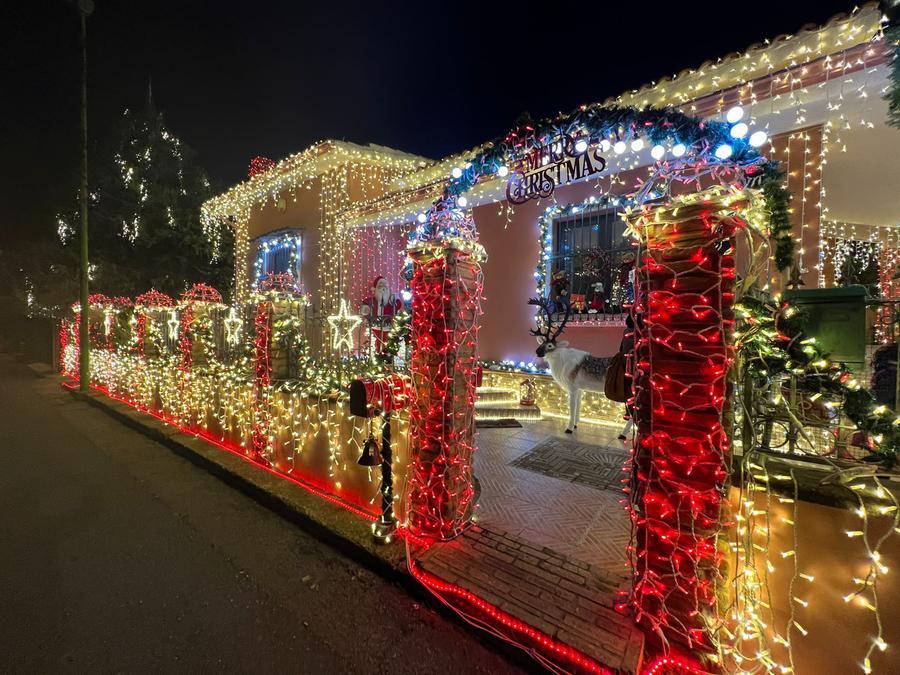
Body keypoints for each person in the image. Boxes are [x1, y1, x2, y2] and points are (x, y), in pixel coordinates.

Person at [360, 276, 402, 353]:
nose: (383, 287)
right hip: (375, 328)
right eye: (380, 285)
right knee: (375, 346)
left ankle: (388, 358)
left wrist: (395, 299)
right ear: (375, 289)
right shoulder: (370, 301)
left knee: (389, 346)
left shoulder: (392, 301)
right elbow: (364, 309)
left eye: (385, 285)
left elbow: (398, 305)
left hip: (389, 328)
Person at [617, 312, 635, 441]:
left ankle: (628, 421)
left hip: (626, 369)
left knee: (629, 397)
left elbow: (621, 350)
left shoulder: (626, 332)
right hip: (634, 370)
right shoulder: (636, 333)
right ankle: (629, 425)